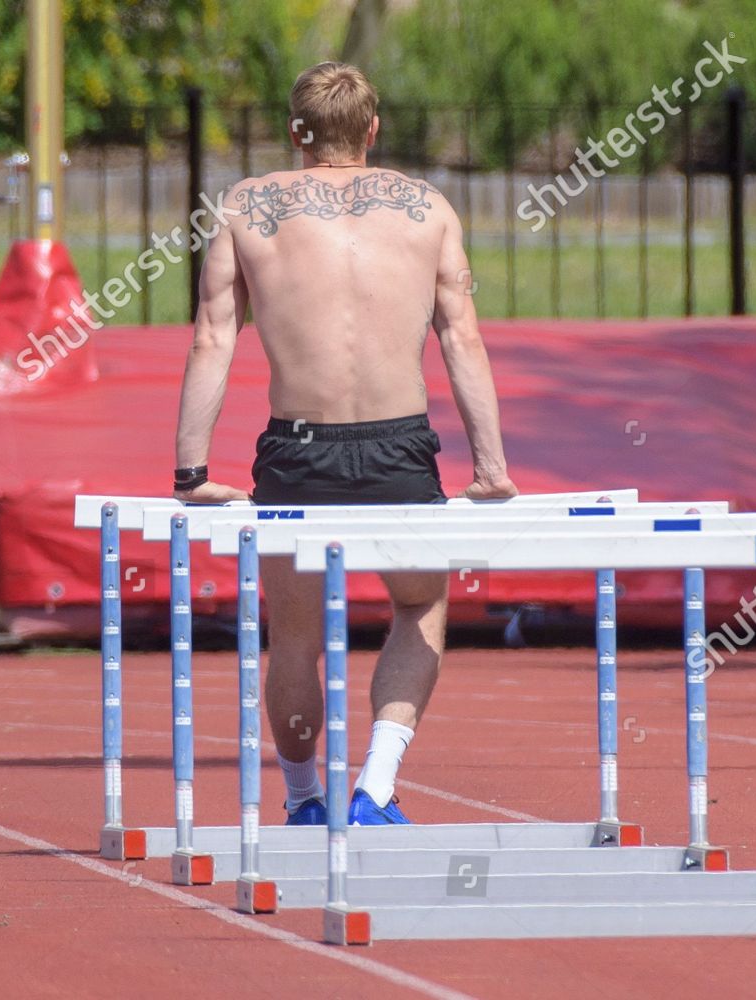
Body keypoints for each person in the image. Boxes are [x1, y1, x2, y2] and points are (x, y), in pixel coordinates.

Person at [172, 61, 517, 825]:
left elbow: (211, 341)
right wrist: (490, 468)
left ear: (296, 132)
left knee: (292, 631)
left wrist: (191, 471)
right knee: (421, 604)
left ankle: (302, 800)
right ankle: (377, 787)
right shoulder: (426, 209)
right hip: (399, 447)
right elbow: (461, 336)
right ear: (372, 129)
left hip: (297, 451)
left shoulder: (247, 207)